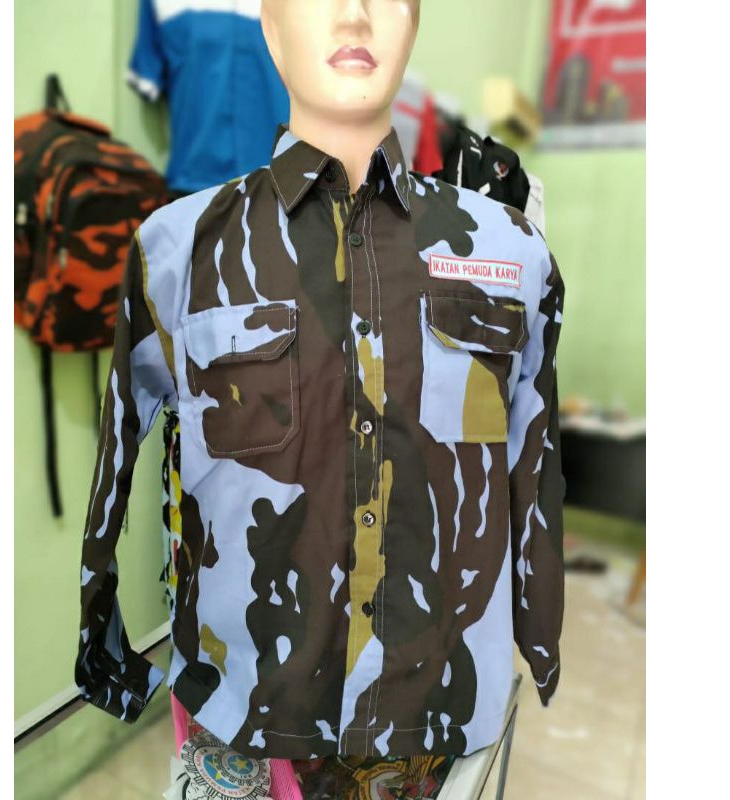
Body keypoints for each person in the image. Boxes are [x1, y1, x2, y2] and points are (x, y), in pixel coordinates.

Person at [75, 0, 566, 761]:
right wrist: (100, 636)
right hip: (245, 711)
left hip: (442, 712)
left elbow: (534, 467)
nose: (355, 14)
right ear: (270, 30)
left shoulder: (513, 253)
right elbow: (118, 449)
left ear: (414, 25)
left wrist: (540, 638)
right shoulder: (178, 249)